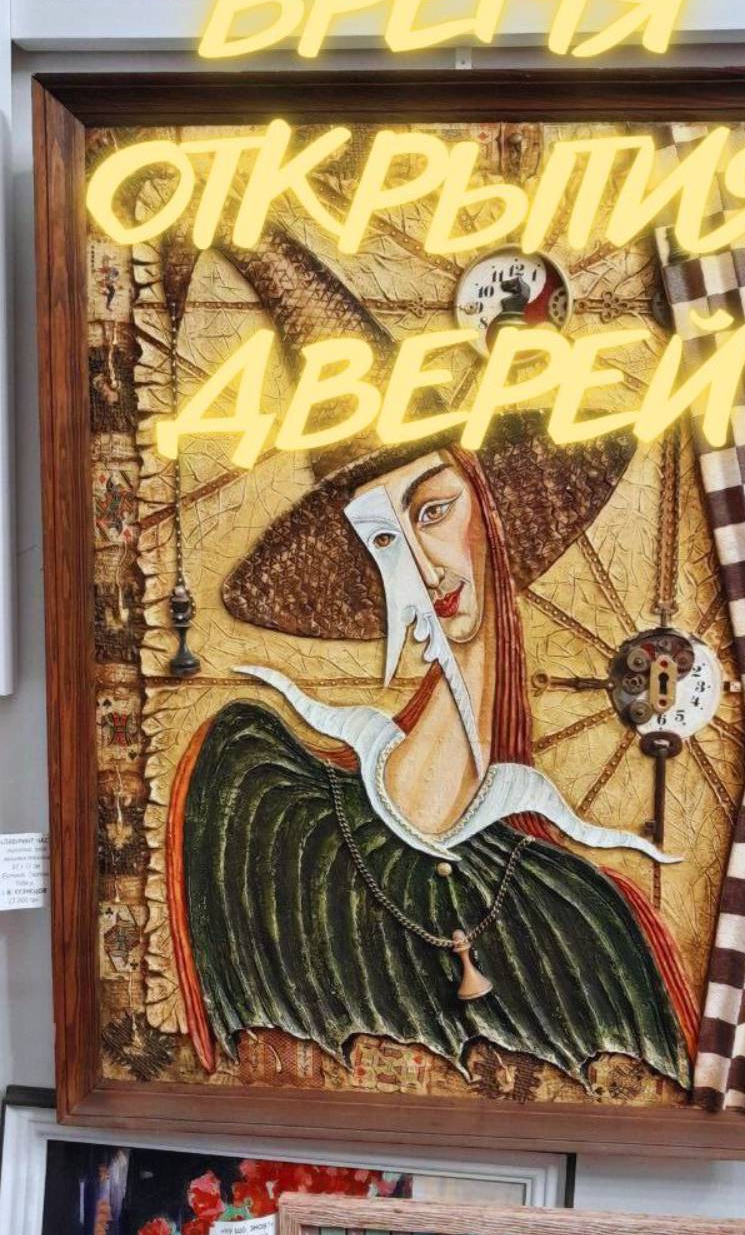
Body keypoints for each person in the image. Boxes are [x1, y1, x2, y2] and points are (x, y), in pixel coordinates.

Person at [166, 405, 700, 1089]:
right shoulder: (261, 798)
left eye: (434, 512)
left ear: (490, 508)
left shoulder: (587, 915)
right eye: (385, 538)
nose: (424, 570)